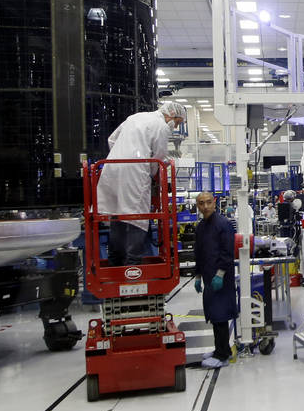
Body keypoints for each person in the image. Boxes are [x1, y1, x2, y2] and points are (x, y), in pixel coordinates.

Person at [97, 101, 187, 266]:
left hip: (112, 167)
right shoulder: (161, 126)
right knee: (138, 216)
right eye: (178, 123)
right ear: (172, 116)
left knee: (117, 214)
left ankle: (114, 261)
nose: (175, 127)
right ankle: (132, 263)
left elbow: (112, 140)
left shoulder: (136, 117)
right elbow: (158, 157)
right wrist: (153, 173)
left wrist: (122, 156)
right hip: (135, 172)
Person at [193, 191, 236, 370]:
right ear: (198, 205)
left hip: (221, 278)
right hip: (208, 277)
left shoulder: (223, 225)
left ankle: (223, 355)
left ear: (215, 202)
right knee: (213, 314)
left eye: (208, 202)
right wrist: (197, 276)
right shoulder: (201, 226)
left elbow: (227, 252)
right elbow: (199, 253)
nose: (205, 206)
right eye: (201, 203)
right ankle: (219, 349)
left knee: (221, 315)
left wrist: (220, 274)